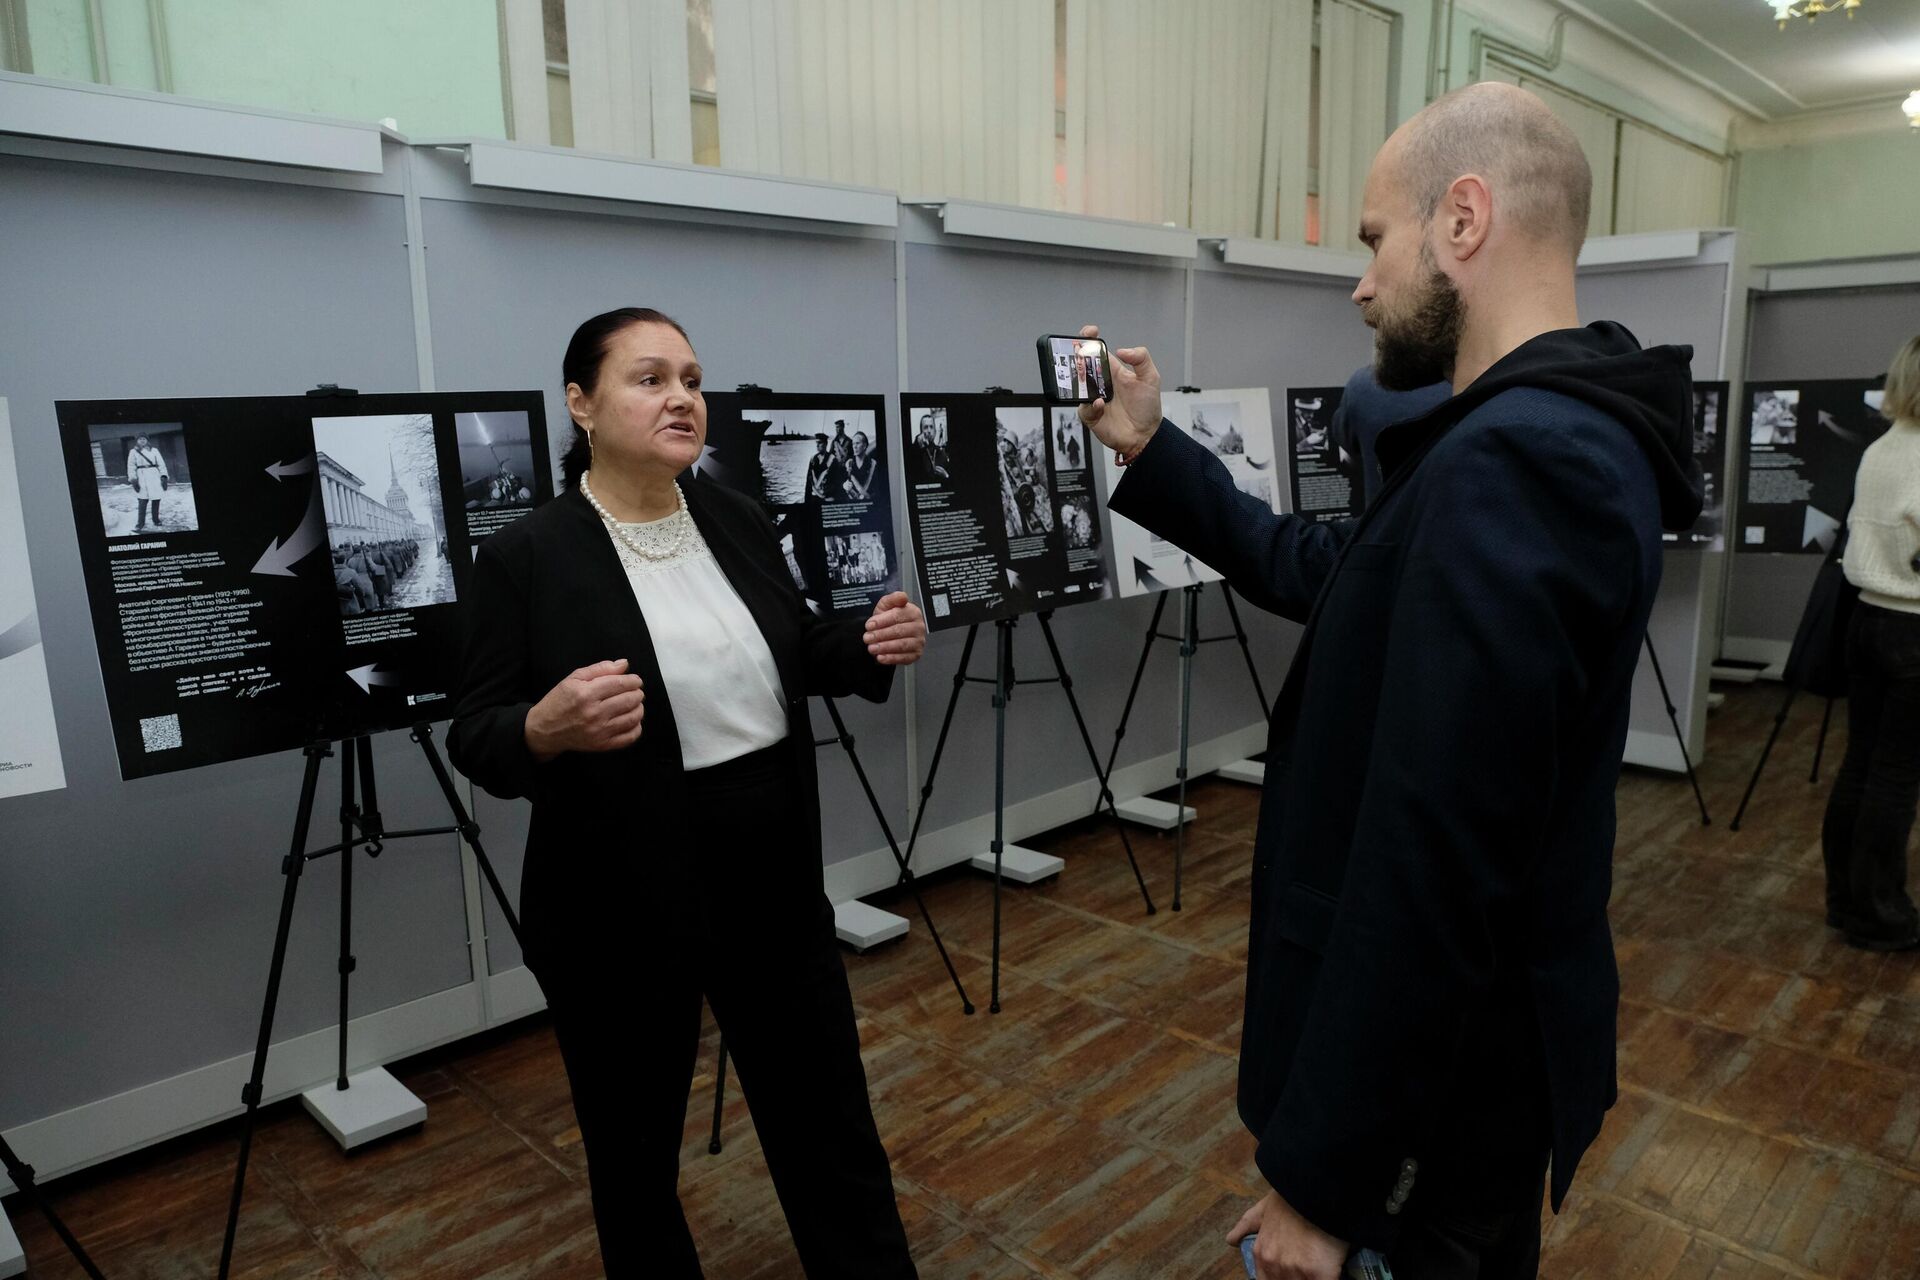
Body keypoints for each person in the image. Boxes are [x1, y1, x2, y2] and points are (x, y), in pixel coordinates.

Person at [1080, 82, 1702, 1279]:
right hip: (1450, 1091)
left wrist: (1329, 1179)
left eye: (1374, 241)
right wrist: (1156, 450)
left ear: (1462, 219)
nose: (1362, 284)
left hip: (1430, 1120)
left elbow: (1438, 858)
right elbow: (1333, 567)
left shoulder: (1525, 457)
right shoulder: (1525, 436)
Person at [448, 307, 925, 1280]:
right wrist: (545, 726)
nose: (682, 398)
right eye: (650, 378)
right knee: (634, 1161)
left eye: (693, 379)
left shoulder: (735, 516)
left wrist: (859, 642)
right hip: (617, 896)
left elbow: (788, 649)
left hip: (771, 871)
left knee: (831, 1124)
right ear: (580, 402)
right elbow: (478, 734)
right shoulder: (529, 556)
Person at [1821, 334, 1920, 951]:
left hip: (1865, 623)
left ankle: (1847, 903)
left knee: (1861, 766)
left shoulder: (1882, 449)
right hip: (1913, 630)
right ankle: (1882, 917)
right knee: (1894, 779)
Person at [1327, 364, 1452, 515]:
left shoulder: (1363, 384)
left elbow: (1347, 447)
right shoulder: (1469, 386)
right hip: (1449, 524)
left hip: (1383, 527)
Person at [126, 434, 168, 531]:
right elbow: (131, 466)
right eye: (140, 439)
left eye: (144, 439)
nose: (142, 441)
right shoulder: (133, 452)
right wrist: (133, 480)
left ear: (147, 440)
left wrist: (164, 476)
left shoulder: (154, 450)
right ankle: (140, 523)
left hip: (154, 476)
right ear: (137, 441)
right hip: (141, 477)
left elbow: (161, 464)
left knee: (156, 499)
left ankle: (156, 520)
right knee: (142, 501)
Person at [841, 431, 879, 501]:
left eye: (857, 443)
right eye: (853, 444)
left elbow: (877, 489)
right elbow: (840, 484)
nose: (854, 446)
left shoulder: (873, 465)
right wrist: (844, 486)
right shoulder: (848, 464)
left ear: (864, 446)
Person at [911, 413, 949, 482]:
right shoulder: (917, 450)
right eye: (925, 427)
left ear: (935, 431)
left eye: (931, 427)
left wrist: (946, 476)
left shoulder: (941, 452)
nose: (929, 431)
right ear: (921, 431)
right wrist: (917, 445)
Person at [805, 432, 838, 500]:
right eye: (816, 443)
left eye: (819, 443)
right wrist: (807, 499)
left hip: (828, 497)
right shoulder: (813, 459)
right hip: (814, 496)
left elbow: (835, 482)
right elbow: (809, 482)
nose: (817, 445)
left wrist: (827, 494)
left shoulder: (832, 459)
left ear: (826, 444)